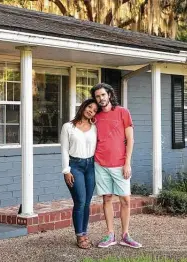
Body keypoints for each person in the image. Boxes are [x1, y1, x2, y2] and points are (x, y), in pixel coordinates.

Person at [90, 83, 142, 249]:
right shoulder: (95, 116)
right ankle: (110, 234)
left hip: (120, 164)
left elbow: (130, 139)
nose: (101, 99)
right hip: (100, 163)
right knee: (106, 198)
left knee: (125, 200)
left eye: (103, 95)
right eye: (97, 96)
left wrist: (127, 163)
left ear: (110, 95)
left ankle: (125, 235)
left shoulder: (123, 112)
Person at [60, 99, 98, 249]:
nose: (91, 111)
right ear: (84, 106)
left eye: (94, 110)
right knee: (80, 201)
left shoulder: (95, 127)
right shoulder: (68, 127)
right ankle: (79, 235)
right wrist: (66, 170)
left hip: (91, 166)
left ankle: (84, 232)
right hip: (75, 166)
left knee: (87, 203)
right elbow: (63, 150)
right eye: (89, 107)